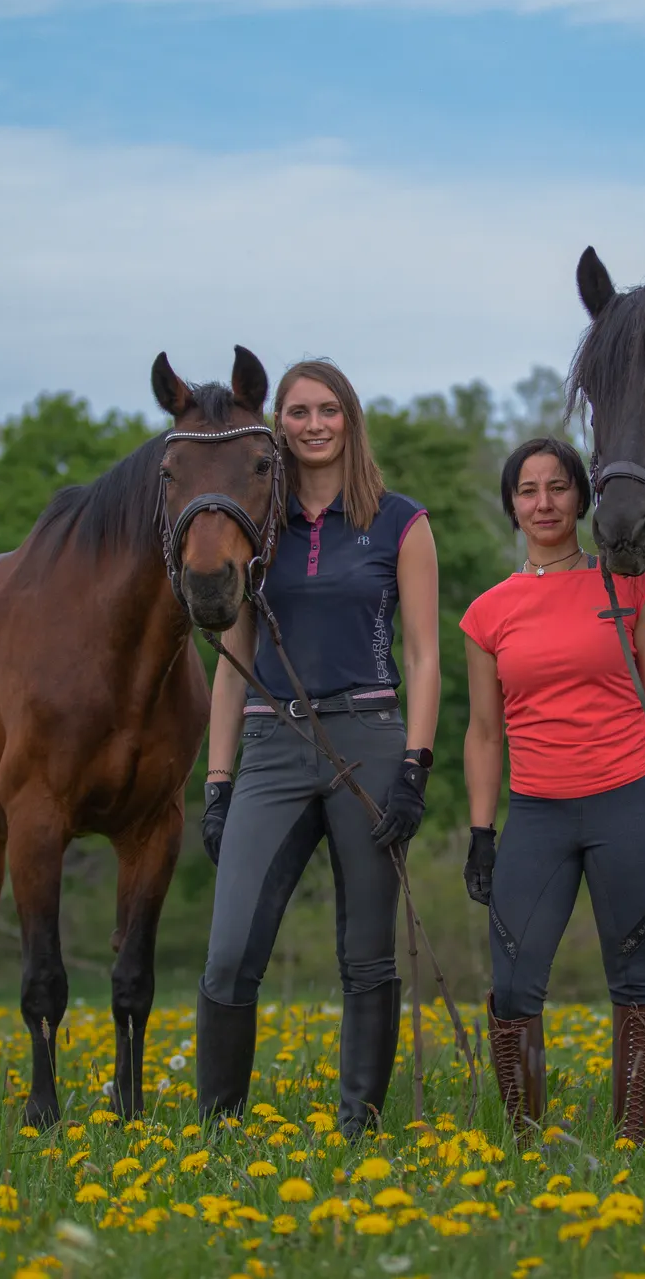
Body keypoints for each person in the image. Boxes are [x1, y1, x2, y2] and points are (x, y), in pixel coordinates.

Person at [196, 358, 440, 1138]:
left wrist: (416, 767)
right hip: (271, 741)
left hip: (368, 740)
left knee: (367, 953)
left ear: (349, 418)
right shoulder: (254, 525)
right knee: (231, 948)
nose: (312, 425)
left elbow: (427, 654)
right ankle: (219, 1132)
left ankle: (358, 1128)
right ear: (279, 423)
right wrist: (219, 779)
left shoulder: (400, 520)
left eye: (327, 409)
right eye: (297, 411)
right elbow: (230, 665)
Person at [460, 436, 645, 1146]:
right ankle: (522, 1139)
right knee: (513, 987)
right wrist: (483, 832)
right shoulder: (486, 614)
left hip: (627, 803)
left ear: (582, 498)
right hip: (536, 815)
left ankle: (631, 1140)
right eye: (527, 490)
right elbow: (485, 733)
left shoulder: (634, 588)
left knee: (634, 978)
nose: (543, 502)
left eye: (558, 486)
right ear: (512, 505)